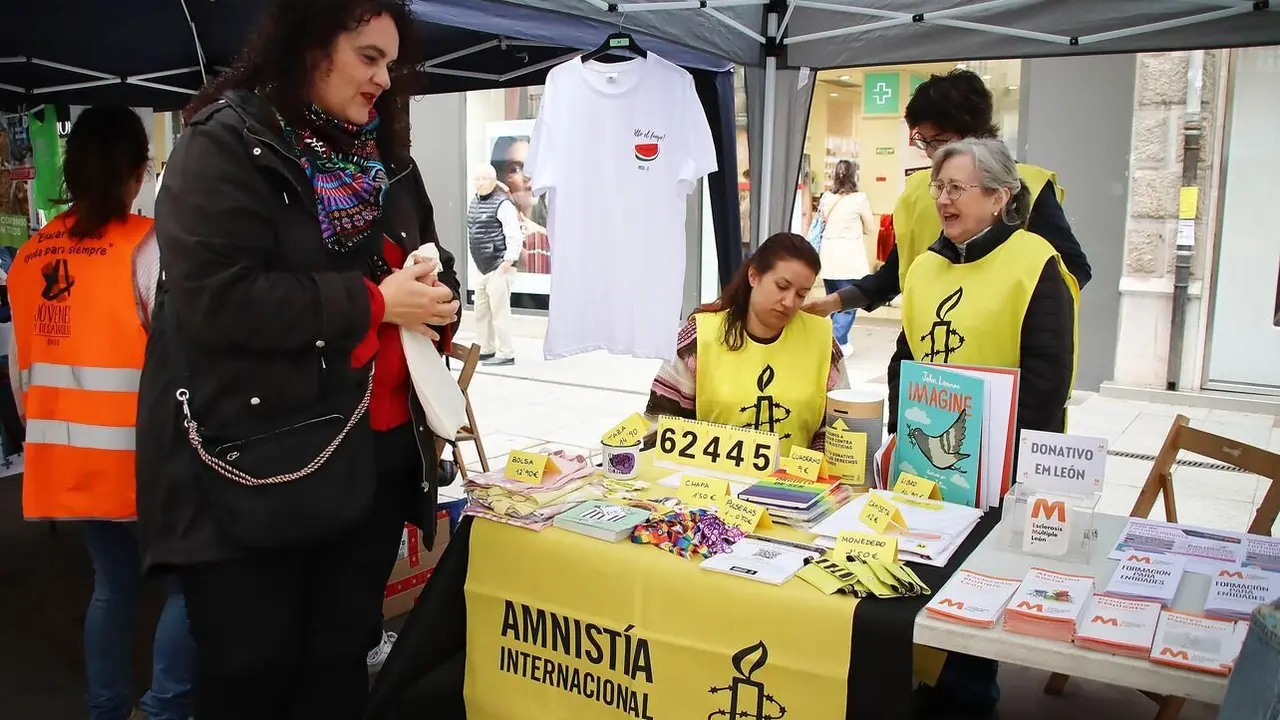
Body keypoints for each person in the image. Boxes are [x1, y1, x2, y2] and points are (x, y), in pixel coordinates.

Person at [134, 1, 461, 718]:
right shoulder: (225, 142)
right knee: (255, 676)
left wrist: (441, 302)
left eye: (390, 63)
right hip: (257, 472)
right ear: (311, 44)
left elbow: (434, 264)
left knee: (340, 664)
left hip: (370, 468)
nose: (383, 79)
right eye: (368, 57)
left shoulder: (387, 159)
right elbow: (218, 301)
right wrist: (377, 305)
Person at [7, 107, 195, 720]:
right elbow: (183, 354)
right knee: (191, 587)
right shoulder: (149, 246)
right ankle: (166, 709)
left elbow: (22, 374)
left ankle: (106, 709)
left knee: (111, 589)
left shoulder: (30, 256)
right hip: (146, 463)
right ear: (139, 172)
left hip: (67, 464)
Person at [896, 138, 1077, 719]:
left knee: (976, 594)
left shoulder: (1035, 262)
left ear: (1000, 196)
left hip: (1000, 470)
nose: (944, 200)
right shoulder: (924, 266)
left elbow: (1050, 380)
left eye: (958, 188)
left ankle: (970, 701)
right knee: (919, 584)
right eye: (939, 188)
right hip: (926, 463)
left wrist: (998, 462)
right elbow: (906, 355)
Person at [803, 69, 1090, 320]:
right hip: (929, 357)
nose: (930, 153)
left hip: (1002, 365)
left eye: (939, 141)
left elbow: (1072, 270)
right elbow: (895, 274)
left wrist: (1022, 316)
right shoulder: (917, 192)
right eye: (923, 141)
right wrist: (834, 303)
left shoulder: (1028, 185)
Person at [646, 233, 848, 456]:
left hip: (796, 485)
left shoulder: (821, 341)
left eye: (801, 294)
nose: (789, 302)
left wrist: (811, 466)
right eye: (782, 286)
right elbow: (660, 423)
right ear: (754, 276)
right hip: (709, 481)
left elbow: (840, 427)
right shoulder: (699, 337)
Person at [816, 160, 875, 350]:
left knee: (832, 302)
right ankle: (835, 344)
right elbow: (870, 227)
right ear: (854, 176)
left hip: (828, 259)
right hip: (849, 260)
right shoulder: (859, 199)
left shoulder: (826, 197)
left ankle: (838, 341)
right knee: (847, 304)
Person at [467, 163, 522, 366]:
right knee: (481, 312)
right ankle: (487, 348)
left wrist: (507, 262)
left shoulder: (503, 204)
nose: (481, 183)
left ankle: (506, 352)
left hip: (499, 267)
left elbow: (514, 234)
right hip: (482, 268)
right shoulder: (475, 202)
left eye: (485, 179)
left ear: (493, 181)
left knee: (500, 313)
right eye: (478, 179)